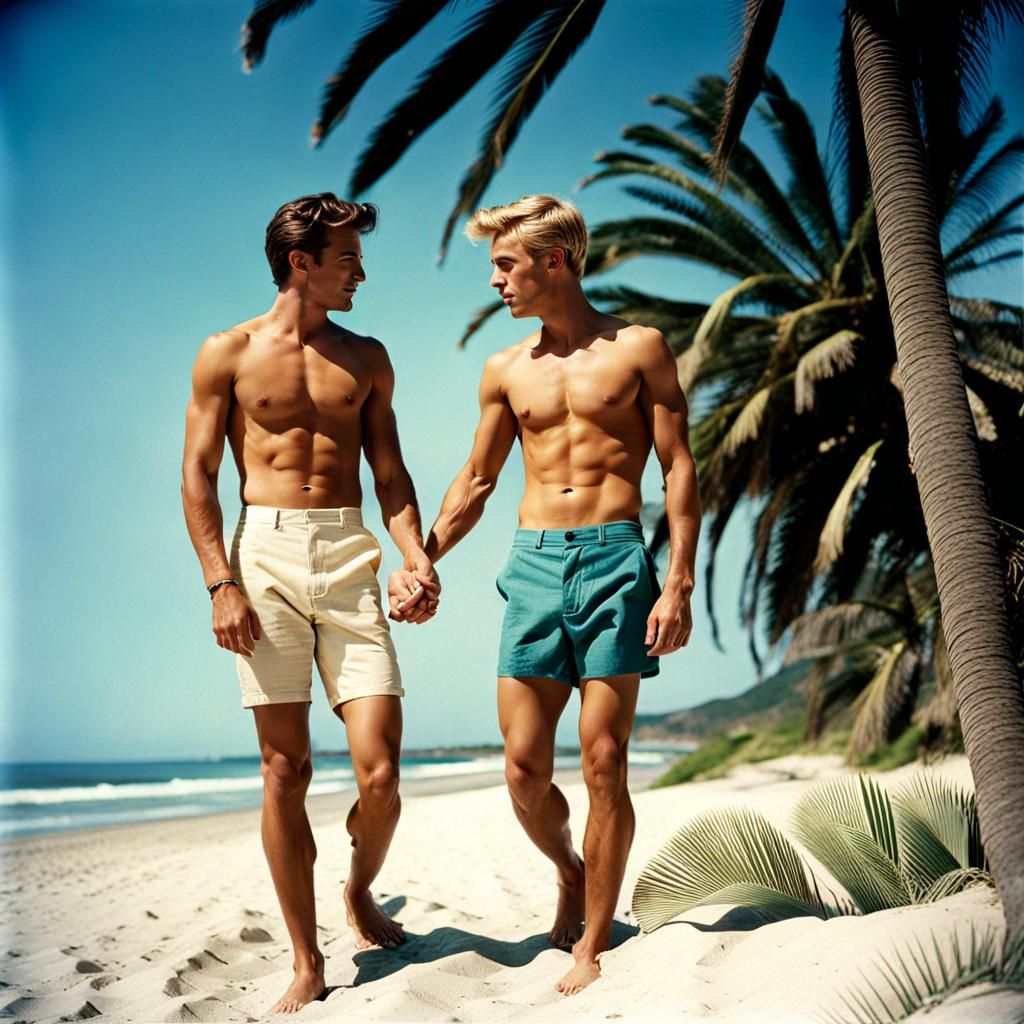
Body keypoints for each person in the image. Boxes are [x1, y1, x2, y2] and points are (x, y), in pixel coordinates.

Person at [391, 195, 700, 995]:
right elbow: (478, 479)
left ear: (553, 262)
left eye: (504, 264)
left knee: (604, 758)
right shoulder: (505, 369)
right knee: (524, 769)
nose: (495, 280)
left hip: (615, 561)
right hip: (531, 566)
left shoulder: (639, 349)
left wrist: (679, 581)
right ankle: (570, 869)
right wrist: (423, 559)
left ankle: (594, 940)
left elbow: (679, 468)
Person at [181, 193, 439, 1015]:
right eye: (347, 260)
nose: (360, 273)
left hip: (350, 551)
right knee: (285, 769)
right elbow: (198, 476)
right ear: (301, 263)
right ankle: (306, 957)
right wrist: (221, 582)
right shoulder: (226, 353)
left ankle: (360, 886)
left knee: (383, 772)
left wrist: (416, 555)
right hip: (264, 556)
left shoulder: (367, 357)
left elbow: (390, 475)